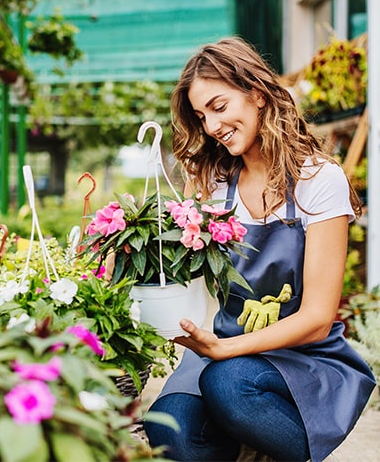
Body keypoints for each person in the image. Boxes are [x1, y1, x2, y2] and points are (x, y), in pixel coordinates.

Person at [144, 37, 376, 462]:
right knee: (167, 427)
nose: (212, 126)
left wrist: (222, 350)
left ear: (257, 93)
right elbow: (185, 274)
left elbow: (318, 320)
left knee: (229, 386)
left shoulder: (318, 181)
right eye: (201, 116)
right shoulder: (214, 183)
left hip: (302, 355)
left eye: (218, 106)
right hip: (227, 348)